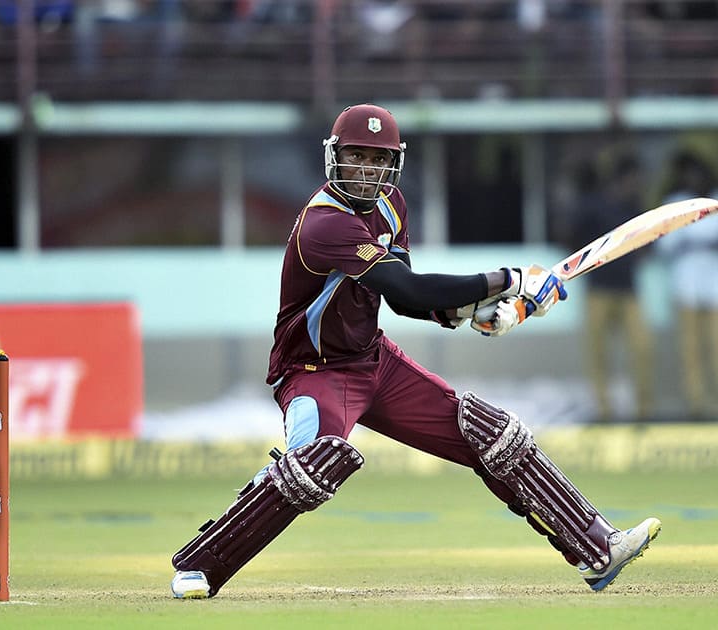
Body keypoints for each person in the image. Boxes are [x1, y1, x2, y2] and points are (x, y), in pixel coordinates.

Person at [169, 104, 661, 599]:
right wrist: (507, 279)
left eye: (378, 160)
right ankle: (201, 566)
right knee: (313, 466)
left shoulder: (392, 204)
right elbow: (407, 283)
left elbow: (407, 301)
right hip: (314, 371)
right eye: (356, 157)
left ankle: (598, 548)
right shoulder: (324, 225)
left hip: (374, 362)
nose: (367, 170)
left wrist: (471, 311)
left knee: (492, 434)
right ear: (334, 158)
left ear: (394, 164)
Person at [565, 152, 654, 422]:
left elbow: (650, 238)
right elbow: (570, 236)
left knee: (642, 347)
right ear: (621, 179)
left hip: (628, 289)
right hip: (599, 289)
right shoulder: (593, 205)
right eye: (634, 179)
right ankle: (603, 409)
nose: (637, 185)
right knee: (598, 352)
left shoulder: (633, 206)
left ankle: (643, 410)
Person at [655, 150, 718, 420]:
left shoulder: (715, 200)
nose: (695, 178)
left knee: (715, 346)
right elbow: (664, 243)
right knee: (690, 348)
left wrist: (695, 239)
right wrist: (695, 240)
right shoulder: (675, 204)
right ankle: (696, 405)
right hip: (686, 281)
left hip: (713, 282)